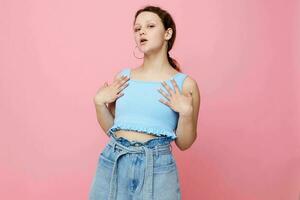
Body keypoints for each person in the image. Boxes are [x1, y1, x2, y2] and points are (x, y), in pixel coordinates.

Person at [89, 5, 200, 200]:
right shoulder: (123, 78)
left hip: (157, 166)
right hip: (115, 159)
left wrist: (186, 114)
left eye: (150, 26)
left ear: (167, 33)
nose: (141, 31)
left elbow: (185, 143)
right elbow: (112, 129)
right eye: (137, 28)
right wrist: (99, 104)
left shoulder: (185, 85)